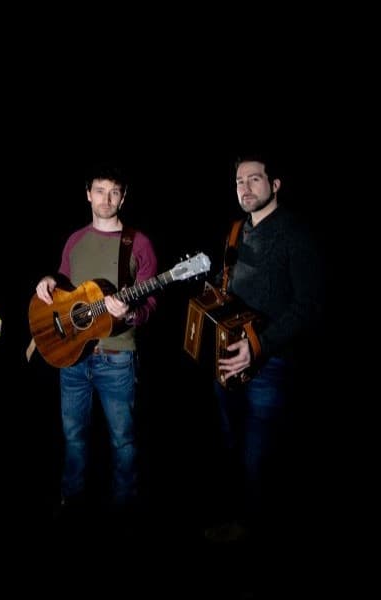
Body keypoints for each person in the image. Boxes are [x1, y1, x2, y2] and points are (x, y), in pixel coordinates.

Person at [205, 153, 323, 545]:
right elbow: (229, 289)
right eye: (239, 181)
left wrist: (259, 347)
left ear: (275, 185)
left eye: (255, 179)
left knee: (261, 458)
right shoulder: (236, 232)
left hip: (271, 365)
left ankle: (258, 544)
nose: (245, 187)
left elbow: (309, 305)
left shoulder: (295, 233)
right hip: (229, 359)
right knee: (230, 447)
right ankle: (235, 525)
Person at [34, 165, 158, 518]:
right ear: (88, 194)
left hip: (117, 358)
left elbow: (150, 302)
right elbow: (62, 286)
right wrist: (46, 281)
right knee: (73, 438)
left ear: (123, 196)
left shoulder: (140, 243)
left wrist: (131, 314)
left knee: (123, 440)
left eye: (114, 192)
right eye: (100, 190)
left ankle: (125, 510)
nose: (106, 199)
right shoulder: (75, 239)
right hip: (72, 356)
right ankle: (71, 504)